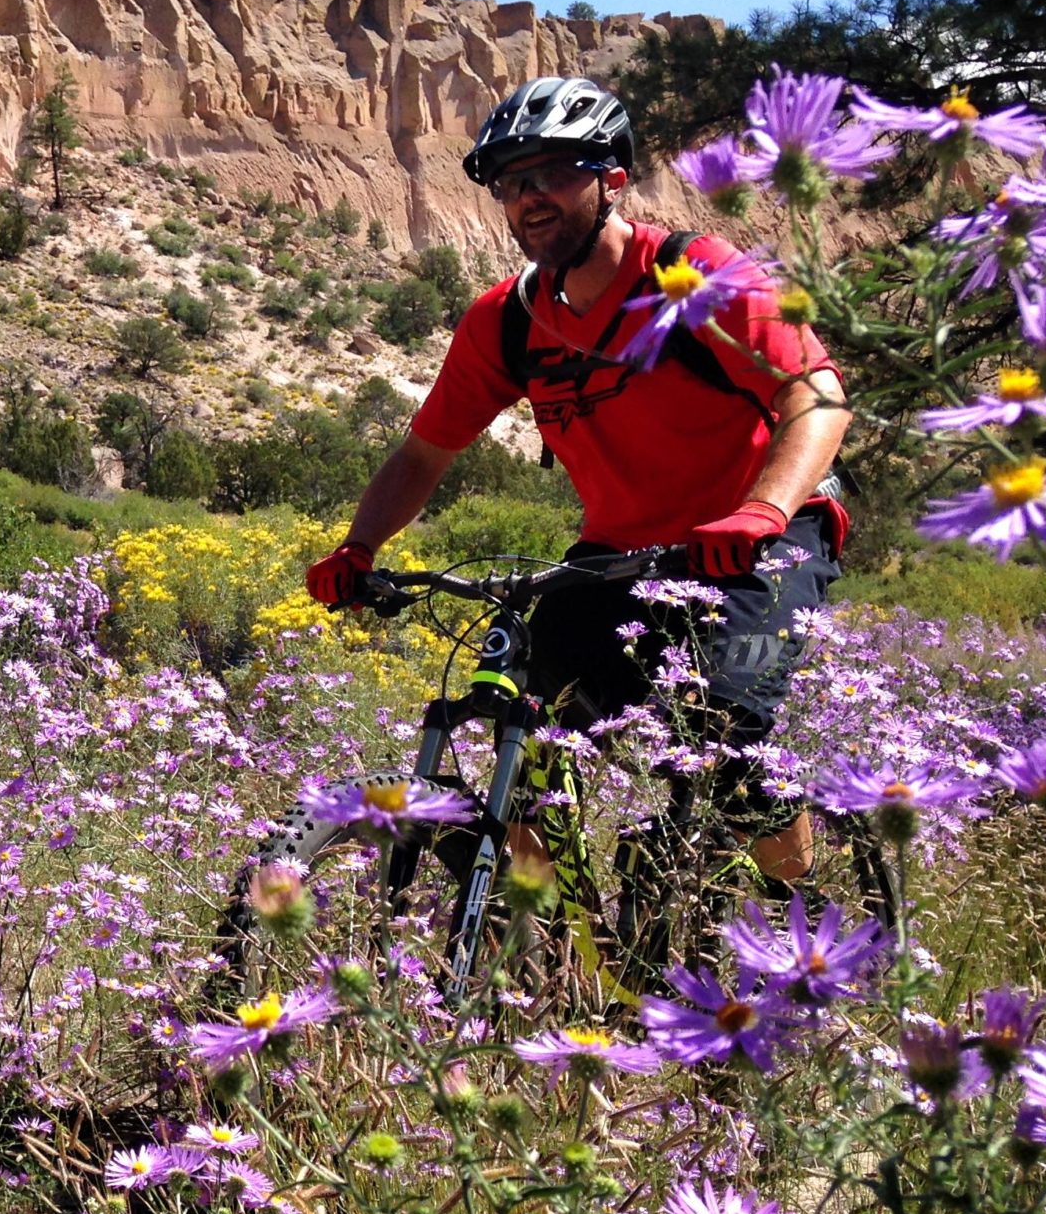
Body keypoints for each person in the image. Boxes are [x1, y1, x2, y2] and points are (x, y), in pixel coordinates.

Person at [303, 76, 851, 884]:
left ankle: (792, 929)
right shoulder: (508, 320)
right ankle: (548, 944)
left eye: (552, 173)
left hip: (764, 531)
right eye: (511, 182)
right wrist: (359, 545)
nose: (529, 197)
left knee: (726, 736)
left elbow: (816, 395)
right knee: (527, 699)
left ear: (612, 179)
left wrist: (761, 511)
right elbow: (424, 453)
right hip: (622, 549)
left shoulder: (693, 276)